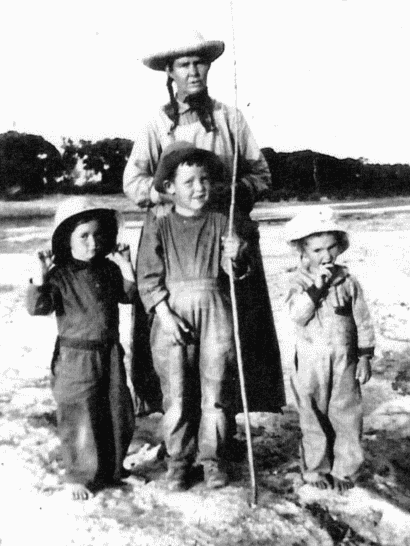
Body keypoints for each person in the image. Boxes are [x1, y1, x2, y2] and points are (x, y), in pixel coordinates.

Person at [123, 29, 285, 419]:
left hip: (224, 236)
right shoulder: (156, 125)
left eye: (199, 62)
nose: (193, 71)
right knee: (171, 333)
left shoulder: (231, 118)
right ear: (170, 71)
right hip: (174, 238)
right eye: (184, 64)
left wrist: (228, 193)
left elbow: (260, 174)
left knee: (231, 334)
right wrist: (168, 195)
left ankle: (223, 426)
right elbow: (133, 182)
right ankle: (177, 426)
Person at [137, 142, 251, 491]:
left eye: (205, 179)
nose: (200, 187)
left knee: (215, 391)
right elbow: (148, 276)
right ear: (169, 188)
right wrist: (165, 314)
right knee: (177, 394)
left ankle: (213, 459)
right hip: (172, 315)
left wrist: (236, 255)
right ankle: (178, 461)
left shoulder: (221, 221)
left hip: (215, 310)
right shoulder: (159, 224)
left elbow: (233, 274)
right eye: (189, 182)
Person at [26, 197, 136, 500]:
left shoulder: (109, 270)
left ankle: (113, 468)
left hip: (110, 352)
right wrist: (40, 273)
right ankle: (79, 474)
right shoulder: (60, 275)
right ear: (67, 239)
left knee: (116, 410)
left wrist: (126, 264)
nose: (93, 242)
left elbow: (129, 296)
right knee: (79, 413)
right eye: (83, 236)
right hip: (76, 356)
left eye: (98, 234)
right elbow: (37, 307)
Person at [285, 207, 376, 493]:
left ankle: (345, 470)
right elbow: (298, 315)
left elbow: (362, 320)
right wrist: (316, 288)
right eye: (316, 250)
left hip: (344, 359)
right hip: (311, 361)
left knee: (346, 415)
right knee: (312, 416)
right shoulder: (298, 282)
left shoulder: (348, 282)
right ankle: (315, 469)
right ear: (302, 251)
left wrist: (365, 356)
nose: (325, 256)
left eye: (331, 247)